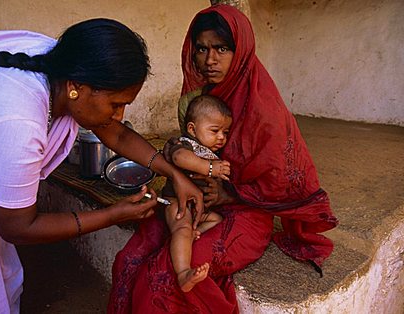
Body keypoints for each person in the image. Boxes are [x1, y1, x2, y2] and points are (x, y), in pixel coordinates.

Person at [0, 18, 204, 313]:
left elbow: (116, 132)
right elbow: (18, 226)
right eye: (115, 104)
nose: (120, 115)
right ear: (75, 88)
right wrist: (112, 214)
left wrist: (172, 172)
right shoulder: (18, 123)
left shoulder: (63, 64)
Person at [108, 4, 338, 313]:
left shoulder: (264, 110)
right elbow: (188, 149)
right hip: (196, 200)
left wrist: (228, 193)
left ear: (240, 50)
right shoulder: (203, 97)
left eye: (222, 49)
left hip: (247, 211)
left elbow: (284, 180)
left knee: (164, 276)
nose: (209, 60)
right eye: (201, 49)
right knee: (131, 258)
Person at [161, 94, 232, 292]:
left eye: (225, 132)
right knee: (182, 227)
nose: (221, 137)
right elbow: (179, 158)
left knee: (216, 220)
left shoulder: (211, 153)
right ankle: (183, 273)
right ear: (192, 128)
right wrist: (210, 168)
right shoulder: (186, 143)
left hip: (198, 209)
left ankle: (190, 237)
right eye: (215, 130)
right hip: (177, 202)